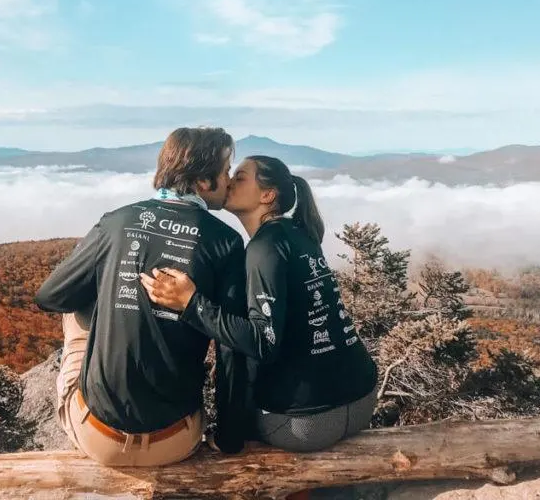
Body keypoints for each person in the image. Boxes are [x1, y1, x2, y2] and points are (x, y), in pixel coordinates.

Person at [34, 127, 249, 466]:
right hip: (175, 439)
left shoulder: (117, 222)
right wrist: (230, 438)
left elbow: (50, 295)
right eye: (225, 172)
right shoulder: (226, 242)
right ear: (204, 182)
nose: (229, 179)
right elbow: (231, 352)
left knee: (77, 305)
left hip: (98, 436)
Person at [141, 155, 378, 453]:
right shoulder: (299, 234)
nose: (229, 182)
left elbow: (262, 342)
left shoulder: (264, 248)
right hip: (362, 398)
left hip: (309, 422)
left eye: (240, 178)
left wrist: (191, 304)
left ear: (267, 195)